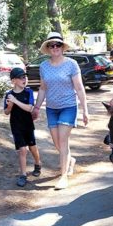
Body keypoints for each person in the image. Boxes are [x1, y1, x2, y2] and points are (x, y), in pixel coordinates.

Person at [32, 31, 89, 190]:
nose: (55, 47)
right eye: (51, 45)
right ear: (48, 48)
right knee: (57, 142)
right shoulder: (43, 66)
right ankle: (70, 160)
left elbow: (79, 87)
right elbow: (43, 88)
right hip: (51, 108)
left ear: (62, 47)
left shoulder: (71, 64)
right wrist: (37, 107)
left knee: (63, 141)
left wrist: (85, 110)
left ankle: (63, 176)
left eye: (58, 45)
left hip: (69, 107)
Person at [3, 67, 42, 187]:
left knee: (32, 147)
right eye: (20, 78)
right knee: (22, 150)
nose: (24, 79)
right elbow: (6, 112)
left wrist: (16, 101)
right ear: (13, 80)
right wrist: (10, 105)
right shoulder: (8, 95)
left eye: (24, 77)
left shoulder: (28, 92)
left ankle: (38, 163)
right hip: (16, 126)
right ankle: (23, 175)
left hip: (28, 125)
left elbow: (30, 108)